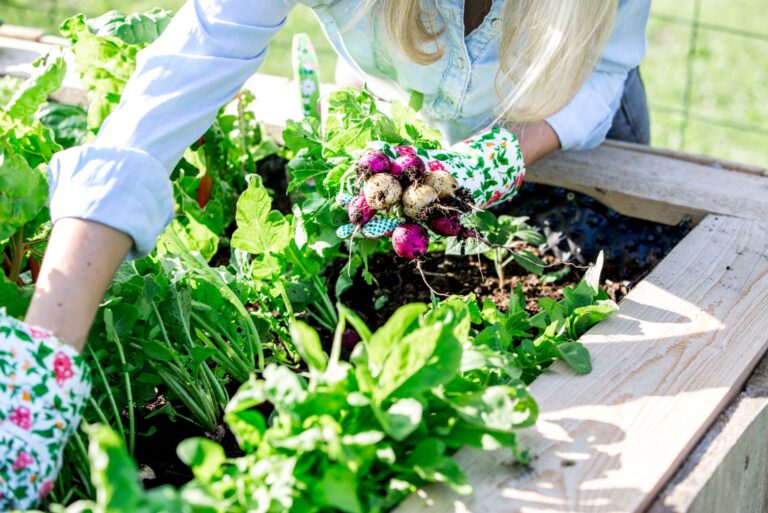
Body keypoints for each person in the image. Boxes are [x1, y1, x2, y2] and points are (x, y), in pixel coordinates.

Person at [1, 0, 651, 508]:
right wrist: (47, 346)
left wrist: (516, 148)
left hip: (572, 142)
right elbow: (179, 77)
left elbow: (607, 71)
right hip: (402, 124)